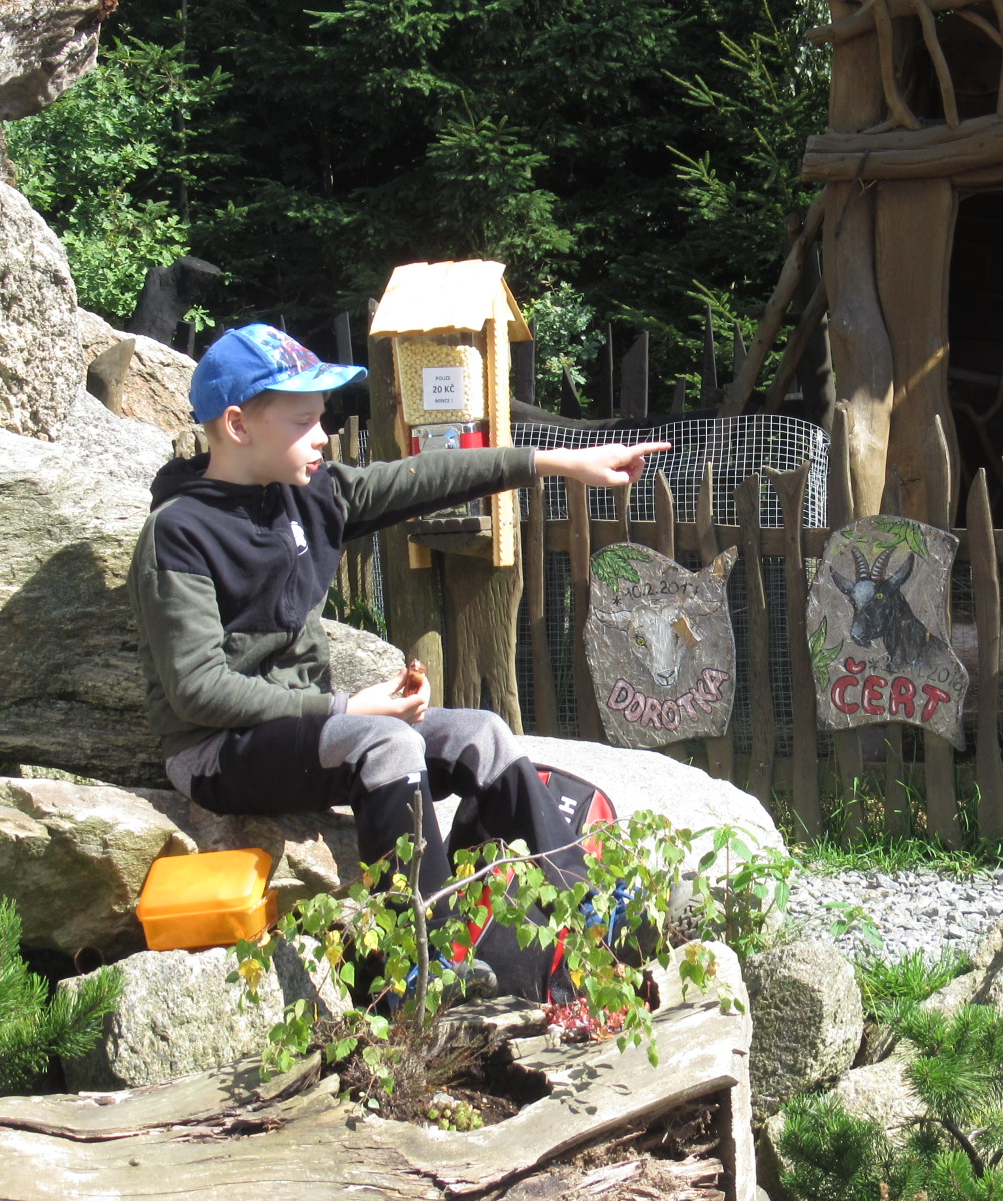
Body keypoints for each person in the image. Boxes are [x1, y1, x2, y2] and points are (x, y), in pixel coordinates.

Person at [129, 323, 666, 1000]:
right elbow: (198, 691)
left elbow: (425, 477)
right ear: (237, 426)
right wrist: (350, 708)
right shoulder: (179, 533)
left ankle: (586, 916)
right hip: (215, 751)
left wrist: (555, 463)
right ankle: (420, 966)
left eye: (322, 418)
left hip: (307, 732)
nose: (323, 435)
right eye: (303, 421)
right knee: (386, 743)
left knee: (482, 735)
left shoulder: (310, 495)